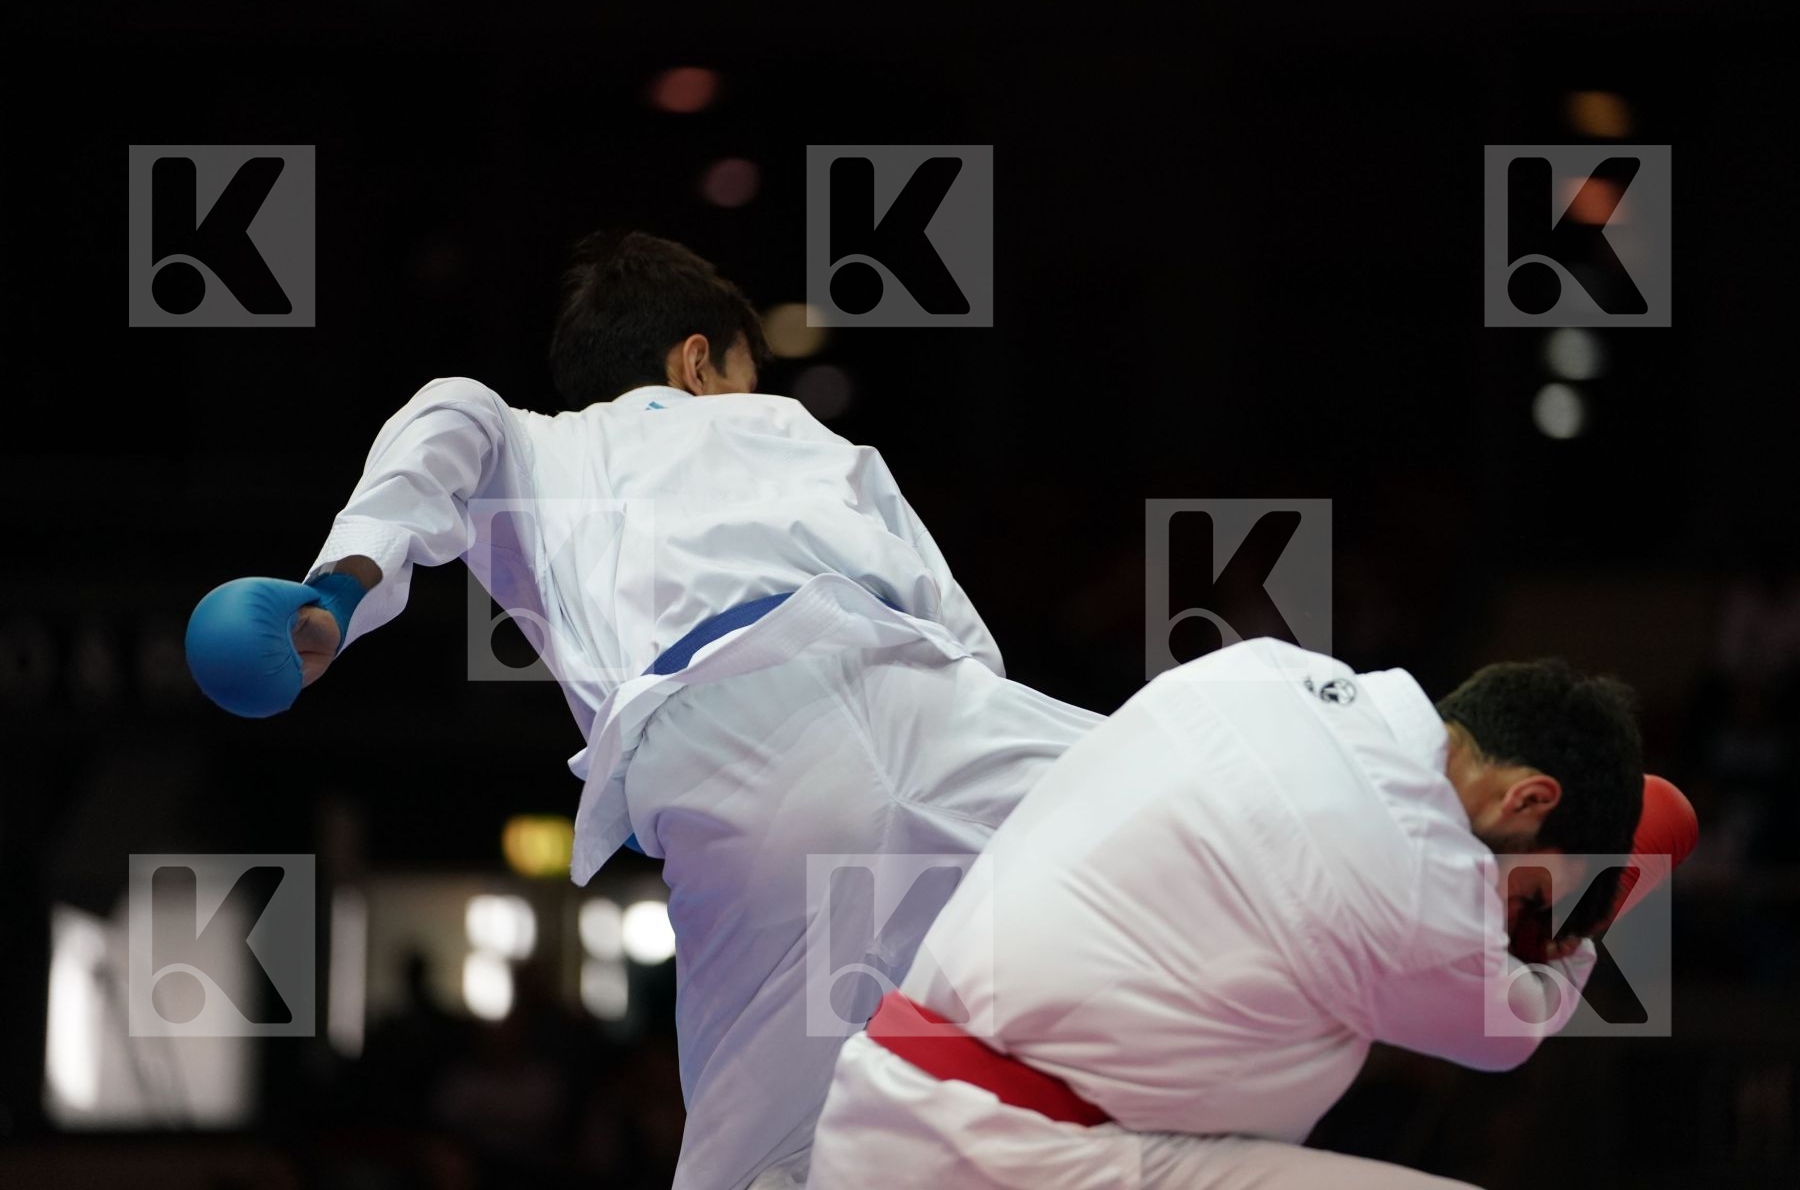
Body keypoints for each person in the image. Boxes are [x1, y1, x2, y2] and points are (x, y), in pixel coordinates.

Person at [184, 230, 1103, 1189]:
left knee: (763, 1157)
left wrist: (339, 588)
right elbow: (958, 623)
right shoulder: (626, 441)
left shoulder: (548, 452)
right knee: (1208, 791)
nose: (759, 393)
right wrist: (338, 585)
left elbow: (444, 421)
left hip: (761, 763)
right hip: (920, 706)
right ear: (697, 359)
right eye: (750, 369)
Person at [806, 638, 1699, 1189]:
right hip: (1019, 1160)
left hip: (913, 1115)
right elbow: (1508, 1030)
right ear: (1528, 798)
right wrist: (1582, 929)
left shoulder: (1260, 668)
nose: (1509, 924)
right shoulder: (1413, 879)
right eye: (1531, 899)